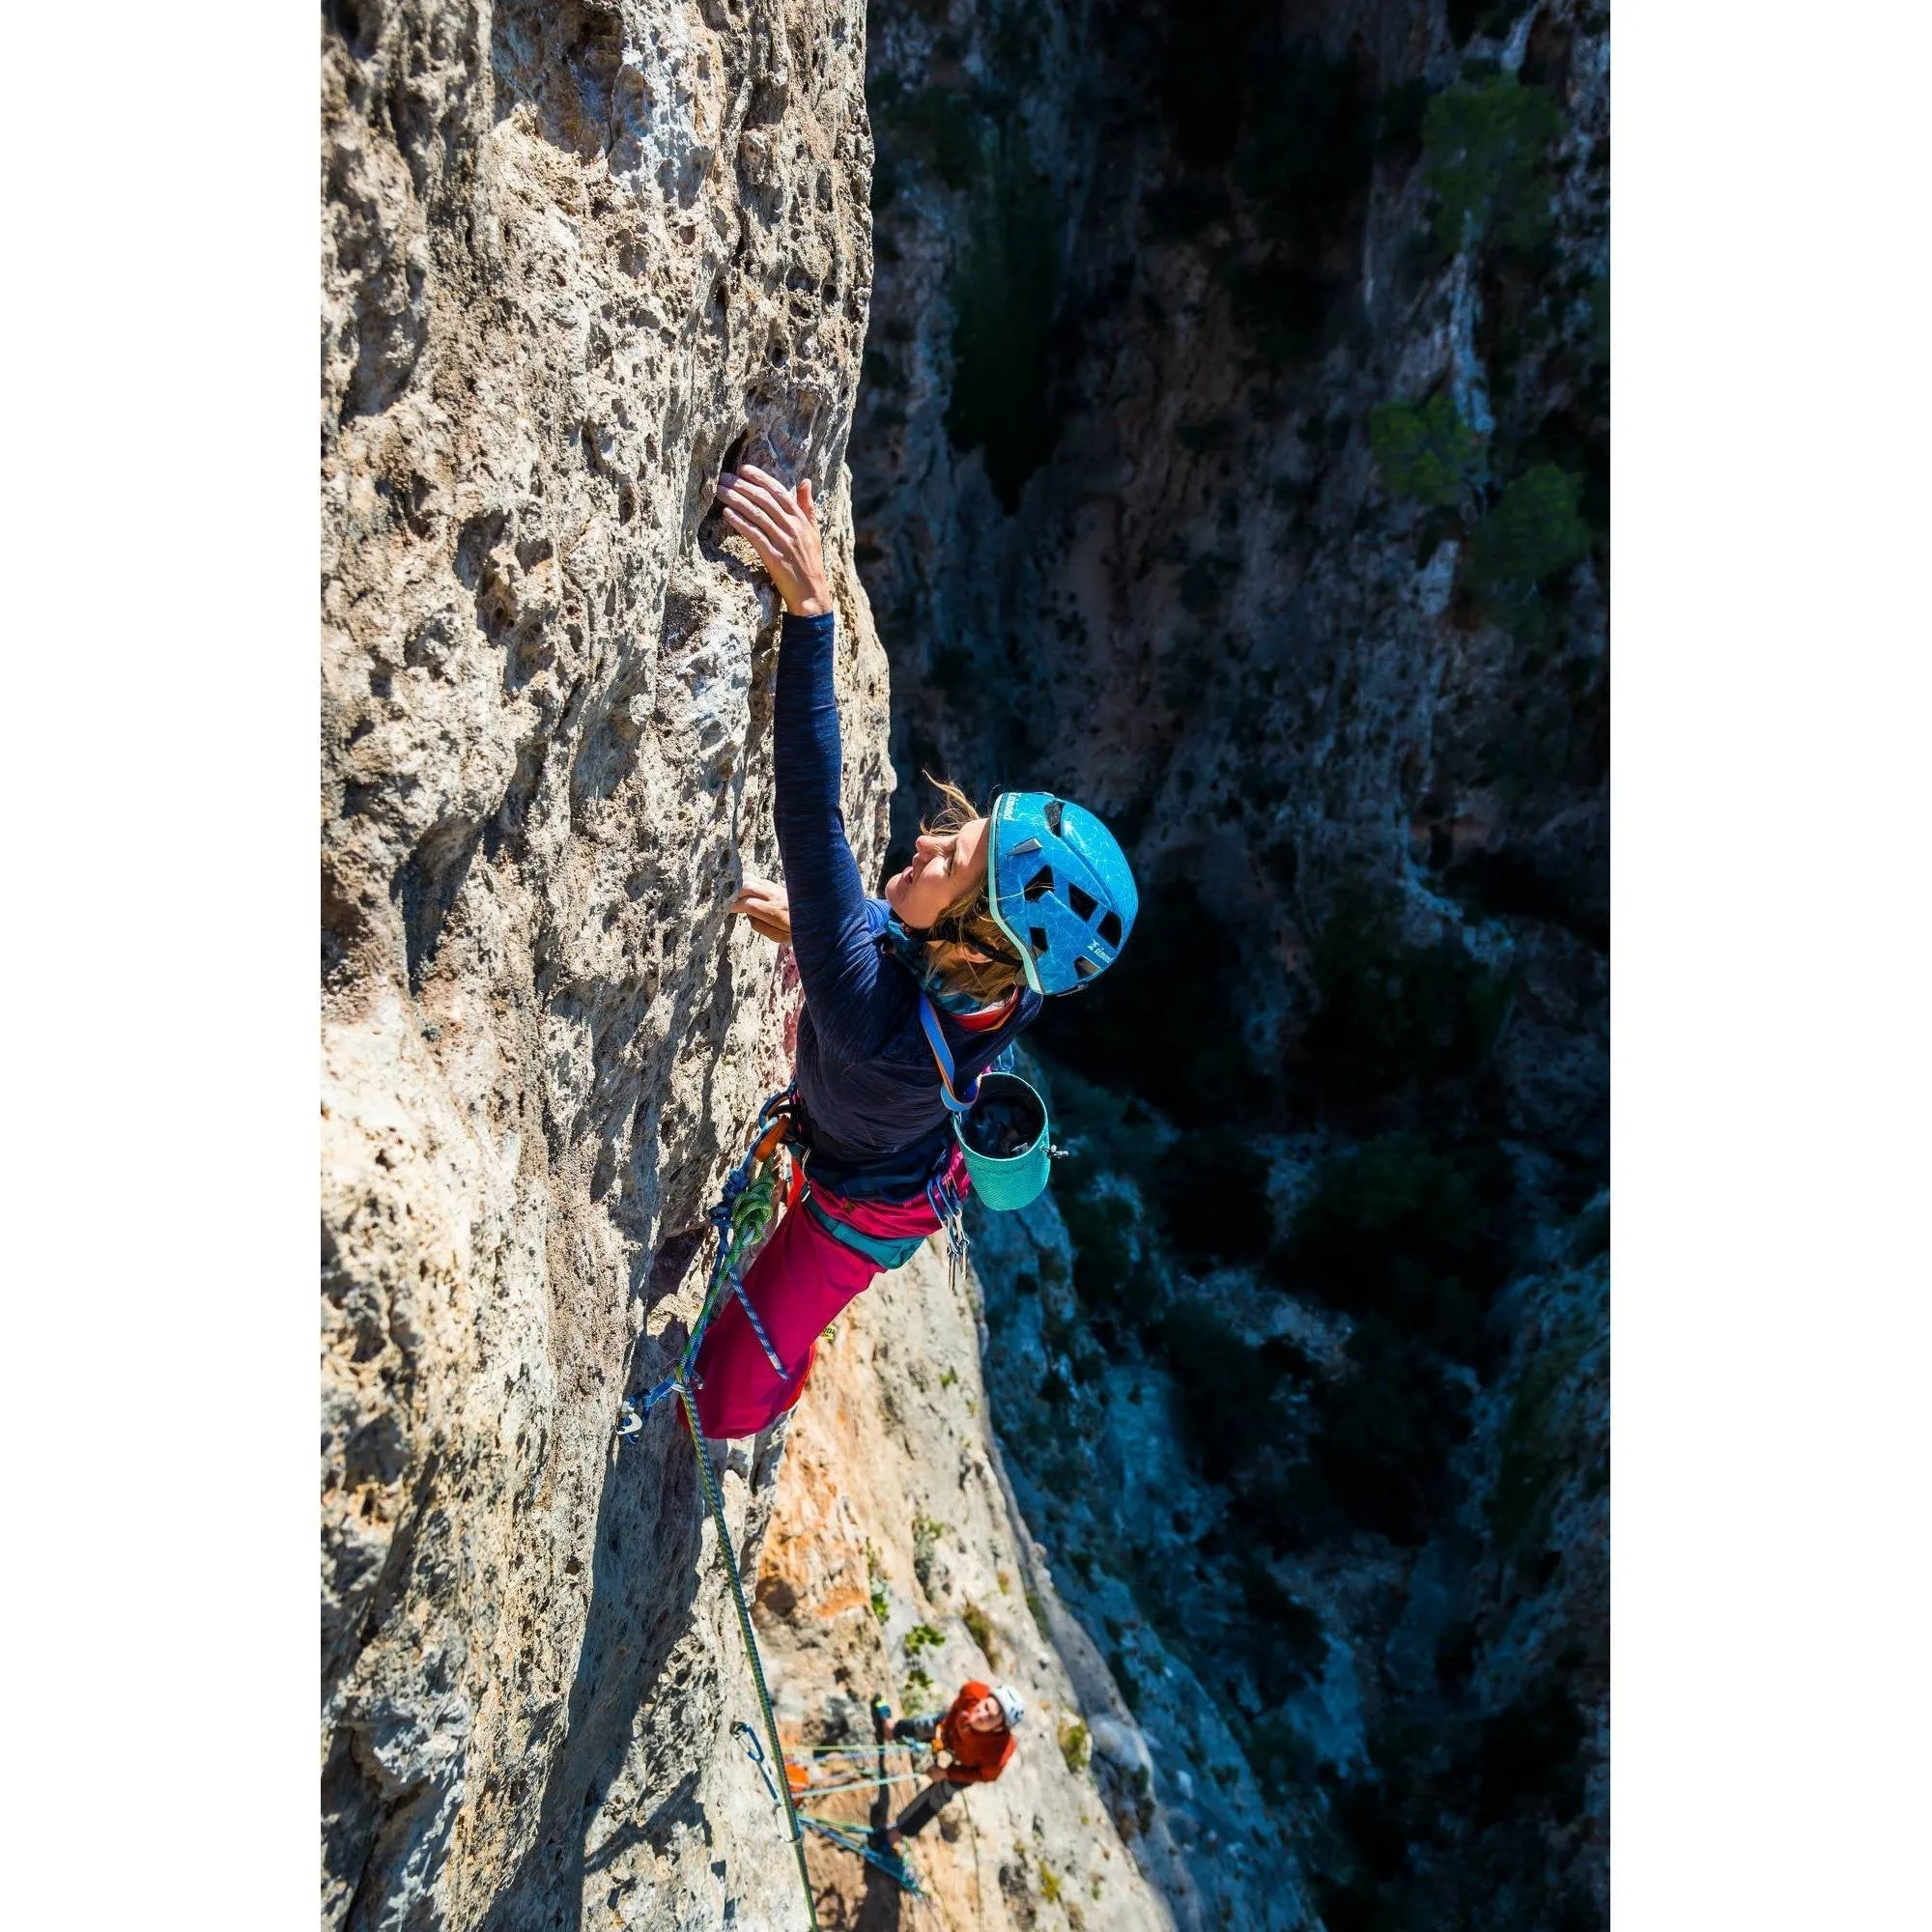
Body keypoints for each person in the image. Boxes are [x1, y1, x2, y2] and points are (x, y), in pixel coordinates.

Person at [692, 464, 1137, 1441]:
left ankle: (783, 1383)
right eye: (956, 831)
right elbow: (898, 947)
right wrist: (844, 929)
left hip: (864, 1208)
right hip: (901, 1136)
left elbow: (809, 816)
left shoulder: (865, 1009)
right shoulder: (1008, 986)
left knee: (720, 1396)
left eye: (953, 859)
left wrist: (810, 611)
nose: (927, 840)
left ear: (978, 933)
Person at [869, 1682, 1024, 1850]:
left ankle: (894, 1836)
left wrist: (946, 1773)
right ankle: (891, 1730)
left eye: (991, 1717)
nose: (981, 1714)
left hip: (966, 1765)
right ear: (985, 1698)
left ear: (998, 1728)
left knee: (940, 1795)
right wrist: (941, 1735)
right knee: (924, 1725)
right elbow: (955, 1710)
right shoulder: (972, 1692)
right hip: (951, 1732)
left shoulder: (998, 1753)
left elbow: (984, 1775)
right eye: (985, 1706)